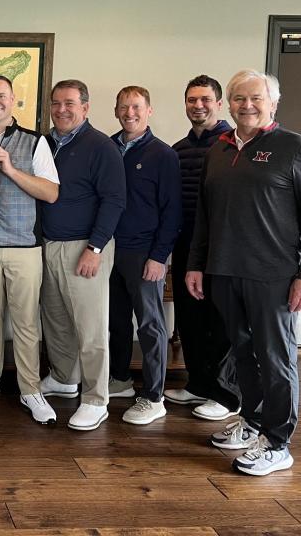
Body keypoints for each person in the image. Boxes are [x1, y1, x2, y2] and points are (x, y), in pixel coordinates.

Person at [187, 69, 301, 476]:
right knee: (243, 354)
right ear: (227, 104)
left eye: (255, 98)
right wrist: (197, 263)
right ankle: (251, 421)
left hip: (274, 278)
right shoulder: (219, 148)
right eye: (238, 98)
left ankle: (278, 442)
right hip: (224, 273)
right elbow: (205, 216)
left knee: (275, 358)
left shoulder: (297, 148)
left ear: (272, 103)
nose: (246, 105)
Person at [0, 75, 60, 424]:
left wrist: (11, 169)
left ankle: (31, 389)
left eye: (1, 96)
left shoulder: (35, 144)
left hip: (24, 247)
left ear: (14, 100)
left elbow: (50, 193)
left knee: (26, 322)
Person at [39, 79, 126, 431]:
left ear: (85, 108)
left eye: (70, 103)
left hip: (85, 248)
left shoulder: (100, 146)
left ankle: (95, 399)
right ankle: (63, 377)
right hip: (48, 245)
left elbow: (114, 201)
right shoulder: (44, 143)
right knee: (57, 321)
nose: (62, 109)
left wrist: (95, 248)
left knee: (91, 329)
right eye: (56, 103)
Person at [164, 75, 240, 421]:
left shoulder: (231, 146)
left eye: (205, 100)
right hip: (185, 245)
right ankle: (198, 384)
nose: (198, 106)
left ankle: (226, 396)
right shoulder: (177, 150)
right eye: (192, 100)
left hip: (221, 248)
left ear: (219, 103)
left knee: (221, 321)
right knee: (190, 317)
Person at [107, 86, 182, 425]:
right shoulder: (107, 147)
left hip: (144, 253)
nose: (130, 113)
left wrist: (159, 256)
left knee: (151, 325)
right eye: (124, 107)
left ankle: (154, 396)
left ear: (148, 110)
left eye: (136, 107)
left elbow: (172, 212)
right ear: (116, 111)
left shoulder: (162, 154)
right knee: (116, 322)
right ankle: (120, 380)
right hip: (109, 250)